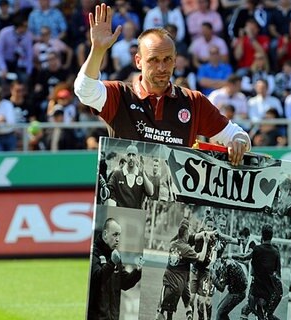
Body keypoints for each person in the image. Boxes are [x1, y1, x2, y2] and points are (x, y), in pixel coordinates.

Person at [74, 4, 250, 166]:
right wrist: (97, 50)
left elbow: (238, 136)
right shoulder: (119, 93)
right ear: (138, 61)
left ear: (175, 61)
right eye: (153, 60)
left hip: (174, 200)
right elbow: (84, 91)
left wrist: (239, 143)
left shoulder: (193, 101)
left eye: (167, 60)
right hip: (125, 198)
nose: (161, 67)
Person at [87, 218, 143, 320]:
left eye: (119, 235)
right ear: (105, 235)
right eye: (115, 234)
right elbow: (96, 279)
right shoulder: (94, 253)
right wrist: (111, 263)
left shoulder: (115, 256)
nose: (118, 239)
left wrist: (137, 271)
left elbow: (124, 283)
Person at [156, 219, 209, 320]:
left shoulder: (172, 244)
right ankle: (189, 316)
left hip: (169, 283)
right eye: (188, 231)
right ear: (186, 234)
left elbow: (196, 235)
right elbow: (201, 258)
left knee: (161, 311)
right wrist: (206, 242)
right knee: (185, 305)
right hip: (182, 283)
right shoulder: (186, 249)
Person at [234, 224, 282, 320]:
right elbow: (278, 275)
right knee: (265, 315)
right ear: (272, 236)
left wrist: (231, 256)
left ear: (262, 236)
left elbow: (244, 258)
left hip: (257, 290)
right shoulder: (276, 252)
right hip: (270, 291)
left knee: (248, 310)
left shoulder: (257, 249)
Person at [107, 144, 153, 209]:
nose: (131, 157)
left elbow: (150, 192)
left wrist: (143, 173)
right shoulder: (117, 174)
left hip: (136, 214)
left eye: (133, 155)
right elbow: (109, 191)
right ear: (126, 157)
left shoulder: (142, 175)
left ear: (137, 157)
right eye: (129, 155)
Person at [211, 256, 248, 320]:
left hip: (236, 293)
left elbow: (221, 288)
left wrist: (213, 275)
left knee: (220, 312)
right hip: (239, 291)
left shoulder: (225, 267)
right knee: (221, 311)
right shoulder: (229, 262)